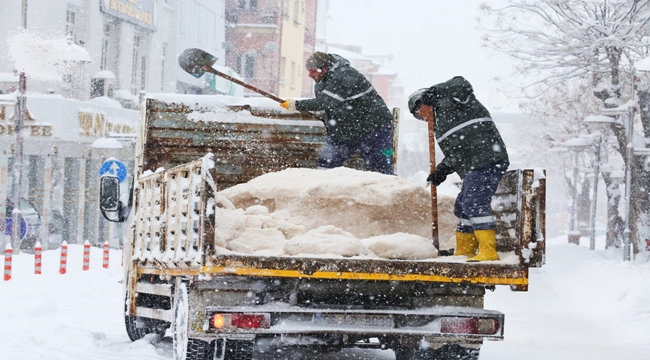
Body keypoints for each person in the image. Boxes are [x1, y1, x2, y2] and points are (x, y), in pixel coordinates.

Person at [408, 76, 509, 261]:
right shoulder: (442, 125)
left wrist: (435, 90)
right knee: (462, 207)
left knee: (474, 204)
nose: (422, 119)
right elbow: (456, 154)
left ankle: (488, 251)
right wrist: (441, 172)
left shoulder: (453, 102)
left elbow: (461, 83)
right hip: (474, 165)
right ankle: (465, 249)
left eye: (419, 113)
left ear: (423, 103)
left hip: (487, 159)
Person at [280, 52, 394, 175]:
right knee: (326, 164)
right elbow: (329, 105)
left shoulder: (343, 74)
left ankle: (391, 190)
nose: (309, 75)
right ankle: (322, 191)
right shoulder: (323, 80)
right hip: (347, 129)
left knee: (380, 168)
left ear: (324, 68)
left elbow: (325, 102)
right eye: (308, 71)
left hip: (374, 127)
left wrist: (295, 105)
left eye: (312, 71)